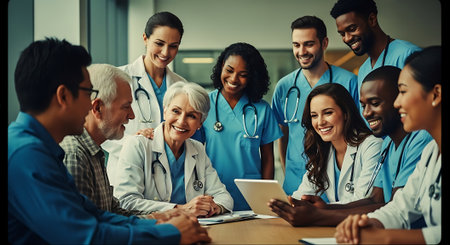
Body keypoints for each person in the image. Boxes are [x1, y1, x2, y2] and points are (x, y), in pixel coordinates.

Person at [8, 38, 210, 244]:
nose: (90, 105)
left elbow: (95, 215)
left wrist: (158, 221)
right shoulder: (27, 156)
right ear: (64, 96)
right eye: (88, 93)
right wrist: (170, 234)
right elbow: (85, 237)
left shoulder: (42, 151)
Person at [268, 66, 432, 227]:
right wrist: (318, 208)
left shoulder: (408, 141)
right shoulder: (388, 143)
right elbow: (377, 200)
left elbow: (394, 207)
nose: (367, 112)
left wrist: (320, 215)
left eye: (328, 113)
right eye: (314, 115)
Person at [335, 46, 441, 244]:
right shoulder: (431, 153)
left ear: (435, 94)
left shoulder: (422, 144)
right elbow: (401, 207)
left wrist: (385, 237)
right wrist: (371, 223)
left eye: (402, 92)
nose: (397, 103)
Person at [60, 63, 181, 220]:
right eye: (126, 107)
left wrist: (166, 217)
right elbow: (86, 233)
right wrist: (163, 226)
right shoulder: (75, 156)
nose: (132, 116)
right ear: (97, 108)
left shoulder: (94, 153)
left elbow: (113, 212)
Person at [112, 81, 233, 217]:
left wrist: (213, 207)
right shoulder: (138, 145)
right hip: (151, 230)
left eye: (192, 116)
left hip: (191, 230)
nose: (181, 121)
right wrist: (181, 209)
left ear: (200, 123)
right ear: (165, 111)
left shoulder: (197, 149)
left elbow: (224, 197)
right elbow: (126, 201)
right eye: (176, 111)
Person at [271, 16, 359, 195]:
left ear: (324, 43)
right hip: (295, 183)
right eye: (296, 45)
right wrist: (288, 169)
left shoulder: (350, 82)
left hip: (336, 181)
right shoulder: (284, 87)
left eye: (309, 44)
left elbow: (359, 133)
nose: (301, 51)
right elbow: (284, 133)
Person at [195, 42, 283, 211]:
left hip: (250, 194)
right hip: (213, 192)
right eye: (229, 70)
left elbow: (268, 158)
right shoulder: (204, 104)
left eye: (243, 74)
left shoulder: (262, 109)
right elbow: (192, 149)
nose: (234, 79)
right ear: (221, 67)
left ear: (252, 77)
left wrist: (264, 197)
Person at [103, 11, 188, 186]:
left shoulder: (181, 84)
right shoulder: (118, 77)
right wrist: (135, 142)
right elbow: (100, 129)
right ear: (145, 39)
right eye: (159, 43)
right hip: (126, 173)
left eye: (173, 46)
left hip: (168, 175)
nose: (166, 52)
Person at [290, 83, 382, 204]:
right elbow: (301, 196)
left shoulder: (372, 145)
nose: (320, 122)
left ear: (345, 113)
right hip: (335, 222)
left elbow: (364, 201)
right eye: (314, 115)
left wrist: (320, 209)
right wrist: (286, 203)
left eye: (328, 113)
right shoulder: (323, 151)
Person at [330, 0, 421, 105]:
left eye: (352, 29)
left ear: (372, 20)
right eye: (342, 34)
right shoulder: (363, 70)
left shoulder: (409, 55)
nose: (347, 38)